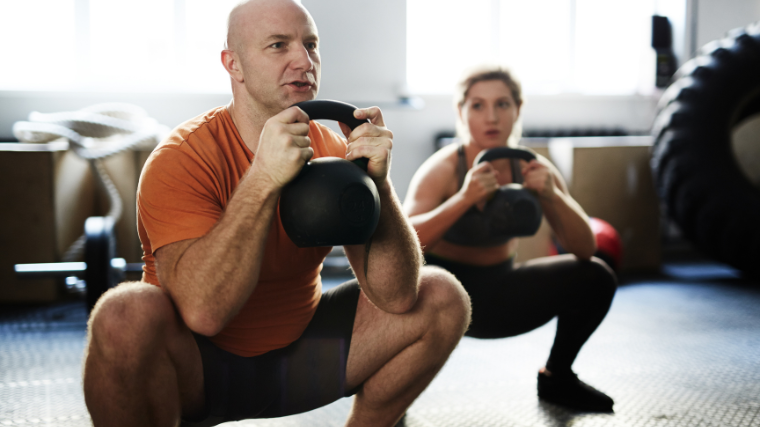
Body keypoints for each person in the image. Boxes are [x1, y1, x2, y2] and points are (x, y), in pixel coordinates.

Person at [81, 1, 471, 426]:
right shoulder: (182, 158)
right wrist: (264, 177)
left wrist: (377, 182)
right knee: (124, 314)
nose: (303, 61)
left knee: (441, 296)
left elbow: (396, 296)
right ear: (235, 65)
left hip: (302, 367)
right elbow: (203, 313)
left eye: (311, 45)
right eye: (278, 45)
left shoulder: (334, 151)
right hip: (199, 377)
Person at [403, 65, 617, 412]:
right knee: (389, 288)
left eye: (502, 104)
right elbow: (402, 244)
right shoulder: (443, 168)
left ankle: (557, 378)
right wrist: (464, 199)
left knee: (596, 276)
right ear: (461, 111)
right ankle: (390, 398)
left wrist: (553, 196)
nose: (492, 117)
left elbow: (584, 248)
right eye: (478, 105)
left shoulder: (533, 168)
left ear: (518, 109)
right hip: (434, 299)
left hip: (497, 295)